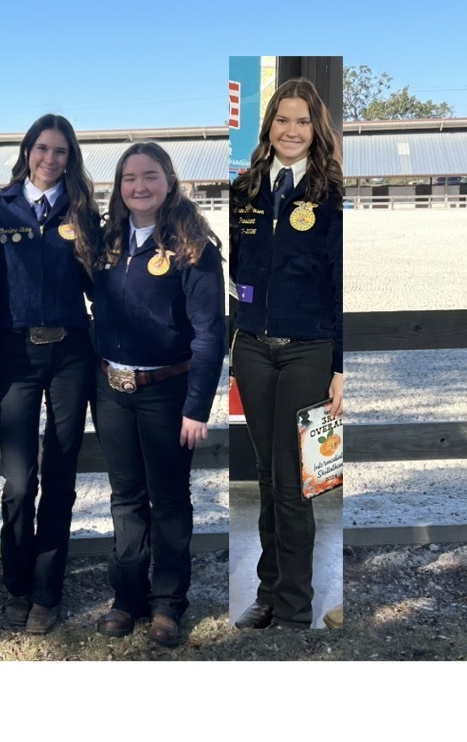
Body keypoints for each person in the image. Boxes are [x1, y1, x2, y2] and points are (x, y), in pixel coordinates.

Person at [92, 142, 226, 647]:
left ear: (169, 181)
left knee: (169, 500)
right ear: (119, 187)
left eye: (150, 176)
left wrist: (197, 407)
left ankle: (168, 603)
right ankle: (127, 599)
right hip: (113, 392)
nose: (139, 187)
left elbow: (209, 334)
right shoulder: (106, 242)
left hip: (166, 393)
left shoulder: (192, 246)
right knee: (126, 499)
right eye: (129, 178)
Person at [230, 77, 343, 630]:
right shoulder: (245, 189)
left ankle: (295, 606)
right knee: (266, 475)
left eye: (302, 121)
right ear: (268, 125)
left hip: (308, 352)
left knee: (296, 479)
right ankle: (267, 594)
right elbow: (233, 274)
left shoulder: (331, 193)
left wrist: (340, 366)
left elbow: (341, 283)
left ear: (314, 128)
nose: (291, 130)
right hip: (253, 349)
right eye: (282, 119)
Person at [0, 114, 100, 634]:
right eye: (42, 149)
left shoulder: (83, 212)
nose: (50, 159)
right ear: (27, 150)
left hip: (72, 356)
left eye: (61, 152)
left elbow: (104, 285)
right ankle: (17, 584)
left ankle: (48, 591)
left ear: (70, 158)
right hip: (16, 358)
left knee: (60, 476)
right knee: (17, 481)